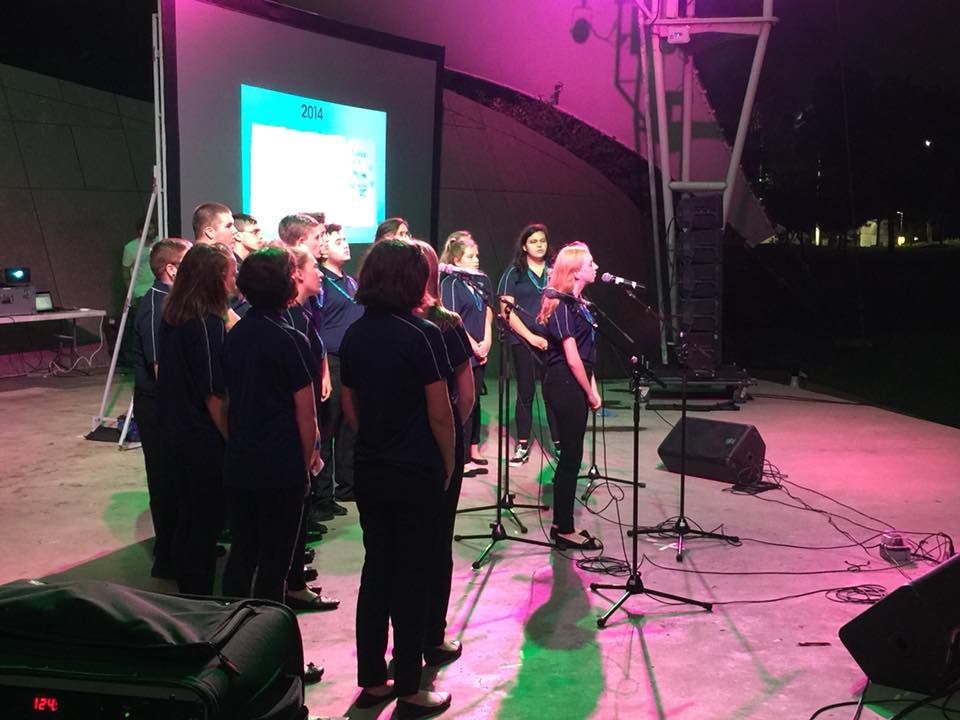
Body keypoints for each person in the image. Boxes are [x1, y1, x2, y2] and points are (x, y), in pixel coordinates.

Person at [340, 239, 455, 719]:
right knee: (412, 577)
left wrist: (376, 438)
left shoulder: (354, 334)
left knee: (376, 573)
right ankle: (409, 686)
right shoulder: (422, 335)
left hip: (372, 468)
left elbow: (350, 407)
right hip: (415, 472)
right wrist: (448, 463)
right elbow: (441, 413)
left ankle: (372, 679)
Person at [220, 247, 333, 606]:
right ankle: (271, 636)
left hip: (240, 459)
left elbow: (226, 399)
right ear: (285, 283)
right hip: (280, 464)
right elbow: (306, 414)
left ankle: (231, 626)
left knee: (243, 552)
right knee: (274, 563)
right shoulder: (290, 339)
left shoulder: (235, 334)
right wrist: (308, 463)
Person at [410, 239, 474, 668]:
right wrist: (451, 442)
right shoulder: (445, 325)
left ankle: (393, 650)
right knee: (436, 544)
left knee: (392, 553)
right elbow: (464, 395)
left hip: (391, 449)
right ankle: (431, 637)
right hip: (437, 450)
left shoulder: (375, 323)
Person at [158, 242, 235, 594]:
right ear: (216, 278)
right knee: (205, 520)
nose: (235, 281)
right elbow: (213, 392)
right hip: (201, 437)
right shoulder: (207, 324)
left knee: (188, 515)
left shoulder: (174, 315)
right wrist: (231, 439)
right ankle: (199, 597)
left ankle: (188, 591)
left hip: (174, 430)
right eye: (232, 274)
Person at [281, 245, 338, 611]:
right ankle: (290, 584)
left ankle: (293, 574)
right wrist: (311, 447)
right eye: (314, 266)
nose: (320, 272)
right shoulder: (289, 322)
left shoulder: (303, 314)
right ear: (296, 274)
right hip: (291, 435)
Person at [537, 242, 603, 551]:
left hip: (576, 381)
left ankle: (561, 524)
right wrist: (588, 391)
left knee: (573, 456)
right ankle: (564, 529)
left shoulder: (580, 305)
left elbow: (587, 355)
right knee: (571, 457)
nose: (596, 267)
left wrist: (593, 387)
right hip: (565, 382)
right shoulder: (560, 305)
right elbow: (572, 357)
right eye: (590, 263)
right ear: (576, 272)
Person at [132, 238, 191, 579]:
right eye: (188, 262)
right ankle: (167, 556)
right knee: (165, 480)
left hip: (170, 405)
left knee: (179, 480)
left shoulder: (172, 302)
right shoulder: (156, 306)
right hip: (159, 408)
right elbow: (161, 370)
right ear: (171, 269)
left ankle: (183, 543)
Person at [497, 223, 560, 464]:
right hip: (523, 340)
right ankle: (522, 445)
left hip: (552, 341)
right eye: (533, 241)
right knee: (526, 392)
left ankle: (559, 443)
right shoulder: (514, 272)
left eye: (542, 240)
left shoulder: (554, 271)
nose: (539, 245)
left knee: (552, 392)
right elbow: (506, 311)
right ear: (524, 246)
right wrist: (530, 337)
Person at [315, 229, 364, 506]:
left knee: (349, 426)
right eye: (337, 242)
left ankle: (347, 486)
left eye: (345, 240)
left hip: (352, 361)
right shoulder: (320, 281)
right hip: (331, 361)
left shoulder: (351, 281)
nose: (345, 245)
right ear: (323, 250)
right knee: (328, 426)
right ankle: (323, 494)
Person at [439, 231, 493, 472]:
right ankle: (460, 456)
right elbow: (453, 318)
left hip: (481, 348)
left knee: (476, 399)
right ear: (456, 260)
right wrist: (471, 344)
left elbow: (488, 310)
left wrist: (487, 339)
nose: (476, 260)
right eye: (471, 256)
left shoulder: (481, 281)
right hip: (463, 349)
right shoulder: (450, 284)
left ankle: (473, 447)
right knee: (462, 398)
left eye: (477, 255)